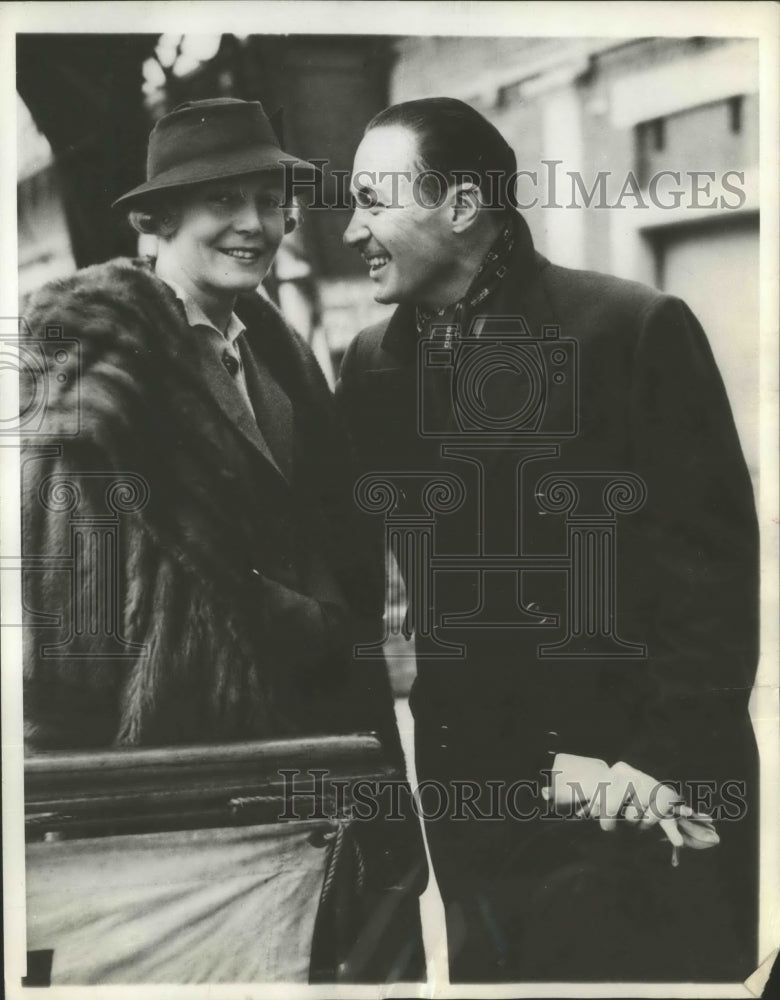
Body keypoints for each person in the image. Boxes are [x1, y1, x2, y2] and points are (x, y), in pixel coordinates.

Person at [338, 97, 759, 982]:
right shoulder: (373, 364)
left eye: (373, 202)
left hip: (629, 790)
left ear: (462, 205)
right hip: (475, 802)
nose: (351, 231)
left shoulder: (631, 330)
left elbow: (711, 583)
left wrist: (657, 767)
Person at [21, 98, 425, 980]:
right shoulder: (99, 368)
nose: (255, 224)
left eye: (269, 199)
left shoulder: (272, 348)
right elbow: (77, 621)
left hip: (316, 771)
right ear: (153, 221)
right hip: (187, 789)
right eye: (222, 201)